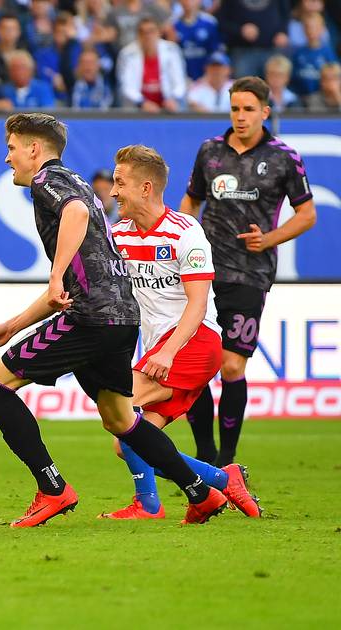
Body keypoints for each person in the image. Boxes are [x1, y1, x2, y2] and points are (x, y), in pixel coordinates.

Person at [0, 113, 226, 528]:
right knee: (120, 419)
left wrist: (56, 272)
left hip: (90, 317)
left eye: (12, 148)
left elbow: (73, 217)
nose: (8, 159)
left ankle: (52, 488)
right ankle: (201, 492)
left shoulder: (47, 183)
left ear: (34, 149)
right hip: (122, 319)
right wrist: (14, 325)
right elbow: (85, 265)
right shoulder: (76, 181)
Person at [104, 144, 261, 520]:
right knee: (126, 443)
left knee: (118, 406)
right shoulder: (118, 236)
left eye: (119, 183)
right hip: (162, 348)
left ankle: (160, 501)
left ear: (145, 188)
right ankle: (218, 482)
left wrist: (168, 352)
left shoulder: (185, 232)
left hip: (194, 344)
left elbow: (198, 304)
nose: (112, 192)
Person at [180, 77, 317, 467]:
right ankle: (205, 457)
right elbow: (192, 199)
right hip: (202, 272)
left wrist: (270, 238)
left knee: (231, 365)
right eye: (235, 109)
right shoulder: (210, 151)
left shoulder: (283, 157)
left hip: (251, 273)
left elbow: (307, 214)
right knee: (199, 367)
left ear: (265, 112)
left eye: (248, 110)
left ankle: (227, 459)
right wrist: (178, 238)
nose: (240, 117)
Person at [116, 17, 187, 112]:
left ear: (159, 33)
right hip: (138, 109)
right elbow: (126, 86)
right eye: (143, 32)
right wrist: (142, 102)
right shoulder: (127, 54)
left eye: (151, 31)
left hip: (168, 107)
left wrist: (173, 98)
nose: (147, 36)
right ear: (138, 35)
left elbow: (180, 82)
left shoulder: (172, 50)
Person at [217, 0, 290, 79]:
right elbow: (221, 22)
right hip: (242, 51)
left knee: (275, 86)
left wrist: (283, 31)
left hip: (271, 49)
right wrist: (240, 30)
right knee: (243, 88)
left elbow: (286, 14)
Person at [173, 0, 222, 81]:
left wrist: (209, 76)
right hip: (182, 78)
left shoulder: (209, 22)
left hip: (206, 78)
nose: (188, 2)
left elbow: (215, 52)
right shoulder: (173, 24)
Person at [290, 12, 337, 97]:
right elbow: (293, 78)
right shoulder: (298, 53)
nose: (311, 30)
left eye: (315, 27)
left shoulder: (328, 52)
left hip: (321, 99)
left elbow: (334, 75)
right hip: (301, 97)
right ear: (303, 30)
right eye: (308, 27)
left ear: (322, 29)